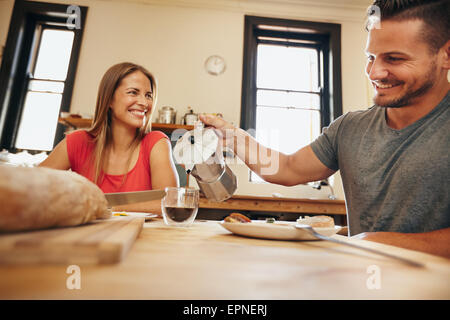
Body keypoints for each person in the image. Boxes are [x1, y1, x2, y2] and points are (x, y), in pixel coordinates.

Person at [199, 0, 450, 258]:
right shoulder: (350, 128)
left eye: (394, 59)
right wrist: (233, 137)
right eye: (370, 57)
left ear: (446, 56)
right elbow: (287, 168)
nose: (374, 72)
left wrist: (376, 242)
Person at [40, 62, 179, 213]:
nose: (144, 102)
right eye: (133, 92)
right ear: (109, 99)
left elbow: (170, 204)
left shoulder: (156, 143)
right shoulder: (77, 142)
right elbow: (33, 186)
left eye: (148, 95)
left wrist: (98, 205)